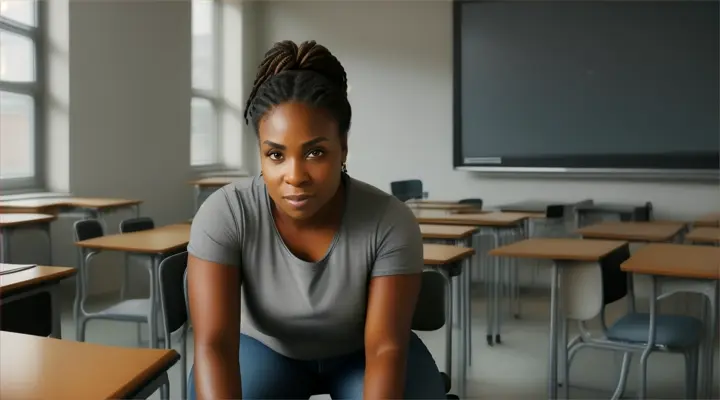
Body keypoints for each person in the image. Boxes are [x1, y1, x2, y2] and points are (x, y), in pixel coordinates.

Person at [186, 39, 446, 400]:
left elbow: (386, 348)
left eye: (315, 152)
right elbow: (215, 345)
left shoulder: (389, 221)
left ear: (344, 148)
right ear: (260, 153)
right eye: (275, 154)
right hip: (265, 350)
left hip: (362, 354)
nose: (295, 175)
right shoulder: (225, 214)